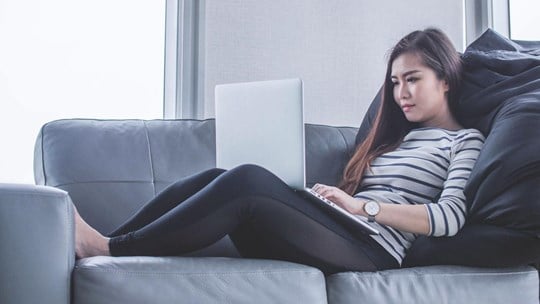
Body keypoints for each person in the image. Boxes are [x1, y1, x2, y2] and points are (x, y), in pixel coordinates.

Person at [75, 28, 485, 274]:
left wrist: (363, 208)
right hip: (341, 230)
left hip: (375, 251)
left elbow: (449, 218)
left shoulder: (464, 140)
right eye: (394, 83)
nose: (400, 94)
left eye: (412, 79)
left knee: (249, 180)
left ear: (445, 79)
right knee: (223, 176)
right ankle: (110, 242)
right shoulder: (395, 139)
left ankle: (109, 249)